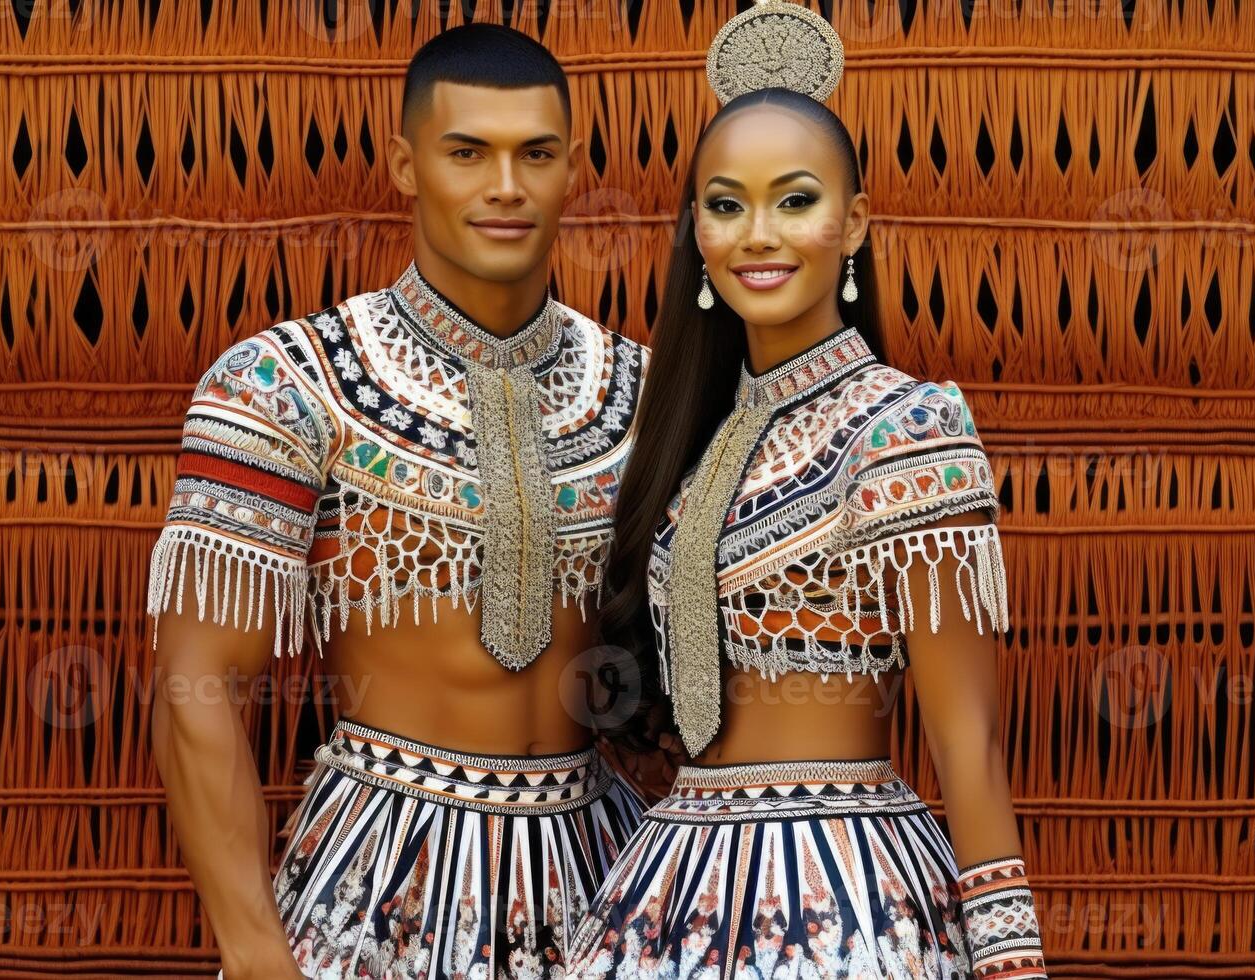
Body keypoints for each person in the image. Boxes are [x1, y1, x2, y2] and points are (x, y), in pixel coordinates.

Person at [146, 24, 650, 980]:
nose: (506, 185)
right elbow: (196, 690)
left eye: (535, 154)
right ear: (404, 165)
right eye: (468, 152)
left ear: (575, 170)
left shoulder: (641, 392)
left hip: (605, 887)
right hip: (372, 886)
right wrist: (256, 954)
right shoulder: (285, 385)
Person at [564, 3, 1046, 978]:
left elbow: (967, 739)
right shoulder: (690, 447)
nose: (758, 234)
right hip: (670, 888)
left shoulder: (909, 430)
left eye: (794, 199)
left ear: (854, 221)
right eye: (726, 203)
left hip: (845, 898)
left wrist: (1011, 962)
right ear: (696, 230)